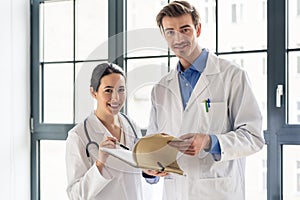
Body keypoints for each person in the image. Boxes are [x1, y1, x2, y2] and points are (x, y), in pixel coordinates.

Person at [144, 1, 265, 200]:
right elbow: (153, 144)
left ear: (198, 29)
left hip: (217, 191)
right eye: (170, 32)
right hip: (175, 192)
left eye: (185, 29)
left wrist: (210, 141)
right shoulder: (160, 89)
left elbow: (253, 137)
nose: (178, 38)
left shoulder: (232, 76)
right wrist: (150, 170)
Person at [65, 63, 144, 199]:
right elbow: (75, 195)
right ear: (93, 92)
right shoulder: (78, 136)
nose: (116, 98)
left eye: (121, 90)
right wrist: (100, 163)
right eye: (108, 90)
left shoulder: (132, 127)